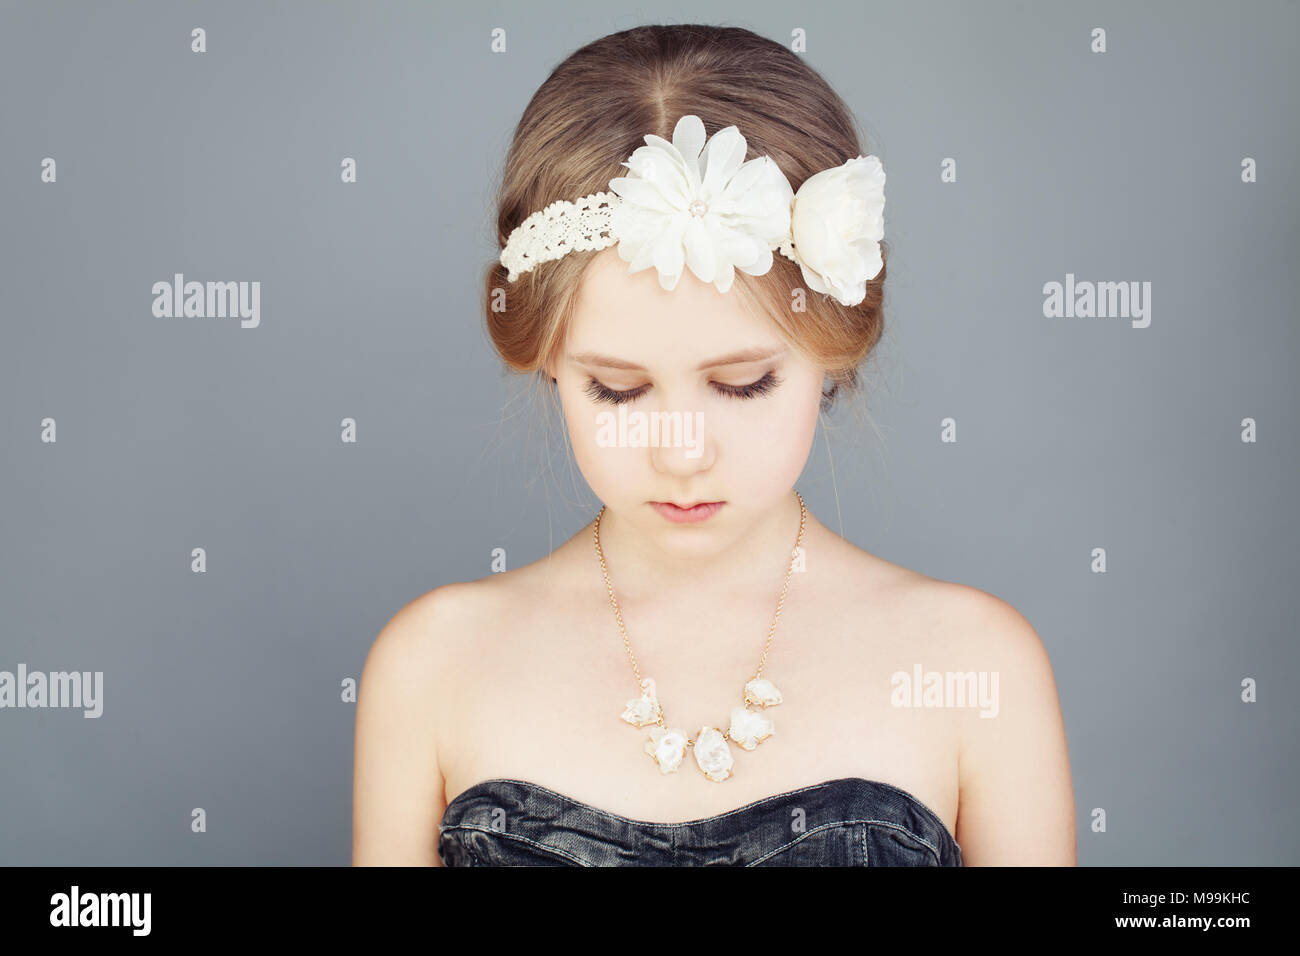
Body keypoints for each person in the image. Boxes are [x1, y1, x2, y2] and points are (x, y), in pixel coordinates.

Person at [353, 23, 1075, 866]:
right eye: (617, 389)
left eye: (742, 384)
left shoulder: (975, 667)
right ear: (547, 355)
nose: (682, 453)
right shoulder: (432, 665)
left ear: (832, 344)